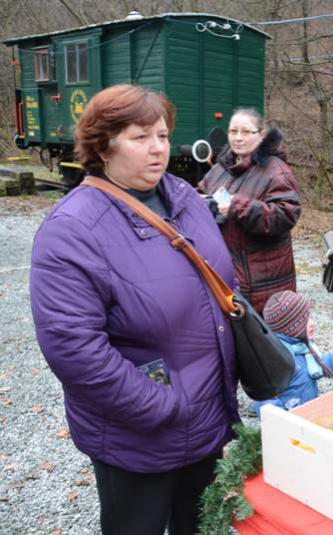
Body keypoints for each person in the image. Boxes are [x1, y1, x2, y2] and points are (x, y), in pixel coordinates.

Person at [28, 85, 239, 534]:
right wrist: (164, 406)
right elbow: (73, 349)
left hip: (208, 420)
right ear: (103, 145)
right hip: (139, 434)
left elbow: (222, 280)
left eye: (162, 135)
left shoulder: (183, 197)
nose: (158, 148)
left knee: (202, 527)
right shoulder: (72, 228)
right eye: (141, 137)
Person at [198, 107, 301, 314]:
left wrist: (239, 207)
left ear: (261, 135)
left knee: (264, 344)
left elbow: (286, 214)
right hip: (228, 277)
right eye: (233, 131)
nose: (238, 138)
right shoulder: (220, 169)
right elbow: (201, 191)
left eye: (246, 132)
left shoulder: (276, 170)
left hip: (264, 286)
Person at [248, 291, 333, 416]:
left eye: (311, 317)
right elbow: (266, 398)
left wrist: (332, 359)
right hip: (289, 419)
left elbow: (310, 369)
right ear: (290, 327)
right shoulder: (277, 359)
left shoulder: (302, 346)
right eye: (305, 321)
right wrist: (280, 419)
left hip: (305, 412)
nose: (312, 323)